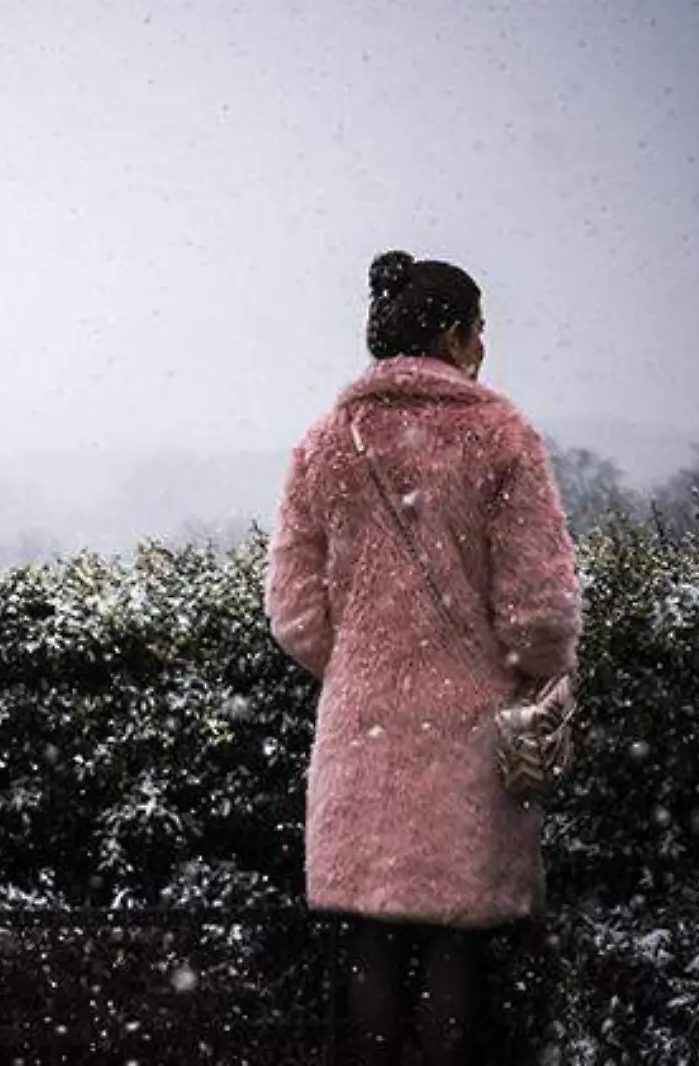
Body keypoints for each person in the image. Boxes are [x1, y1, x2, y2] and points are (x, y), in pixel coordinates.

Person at [264, 250, 582, 1065]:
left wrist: (364, 664)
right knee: (455, 942)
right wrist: (515, 669)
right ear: (453, 334)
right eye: (479, 333)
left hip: (360, 730)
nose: (484, 350)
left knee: (369, 936)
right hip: (470, 734)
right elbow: (541, 611)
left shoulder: (326, 442)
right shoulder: (501, 437)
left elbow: (293, 608)